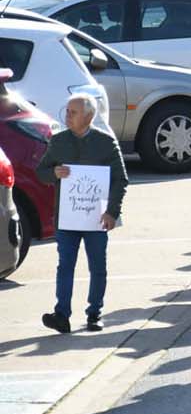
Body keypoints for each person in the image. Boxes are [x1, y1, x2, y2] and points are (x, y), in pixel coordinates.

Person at [36, 95, 128, 334]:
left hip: (96, 217)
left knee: (97, 266)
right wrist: (54, 173)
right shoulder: (59, 141)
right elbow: (41, 172)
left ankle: (94, 314)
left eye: (73, 112)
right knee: (65, 266)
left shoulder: (105, 142)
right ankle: (61, 315)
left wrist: (112, 212)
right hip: (67, 217)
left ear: (88, 116)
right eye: (67, 111)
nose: (68, 116)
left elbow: (120, 179)